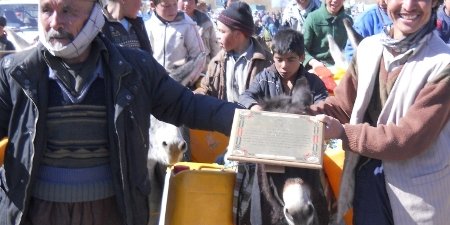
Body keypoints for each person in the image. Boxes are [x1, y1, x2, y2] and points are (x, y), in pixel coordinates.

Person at [0, 1, 240, 225]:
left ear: (95, 12)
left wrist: (248, 120)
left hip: (111, 212)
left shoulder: (135, 69)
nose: (54, 22)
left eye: (67, 11)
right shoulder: (15, 73)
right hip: (37, 213)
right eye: (46, 10)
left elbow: (187, 105)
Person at [312, 0, 450, 223]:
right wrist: (299, 116)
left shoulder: (443, 63)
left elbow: (408, 137)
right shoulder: (369, 48)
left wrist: (343, 133)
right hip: (368, 181)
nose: (408, 5)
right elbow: (343, 104)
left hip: (417, 195)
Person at [194, 2, 273, 102]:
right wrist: (199, 93)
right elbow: (206, 88)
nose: (217, 36)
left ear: (238, 35)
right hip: (224, 116)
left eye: (222, 31)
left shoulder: (266, 63)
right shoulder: (217, 62)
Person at [239, 28, 328, 110]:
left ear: (302, 57)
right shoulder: (264, 78)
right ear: (273, 57)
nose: (284, 65)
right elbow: (245, 96)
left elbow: (323, 105)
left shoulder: (313, 82)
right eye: (279, 59)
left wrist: (310, 112)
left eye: (291, 59)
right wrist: (254, 107)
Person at [145, 0, 206, 88]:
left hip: (182, 85)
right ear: (153, 5)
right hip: (156, 85)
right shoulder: (147, 26)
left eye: (175, 4)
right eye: (166, 6)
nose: (173, 10)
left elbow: (199, 56)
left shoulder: (187, 25)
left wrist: (187, 81)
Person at [302, 0, 352, 70]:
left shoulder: (348, 21)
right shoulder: (313, 18)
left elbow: (353, 49)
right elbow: (301, 48)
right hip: (318, 68)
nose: (335, 1)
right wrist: (313, 62)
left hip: (343, 68)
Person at [178, 0, 220, 73]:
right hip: (179, 72)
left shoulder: (205, 21)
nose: (187, 4)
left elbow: (214, 45)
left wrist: (216, 67)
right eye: (184, 0)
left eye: (190, 1)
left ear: (195, 3)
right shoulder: (170, 22)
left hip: (203, 70)